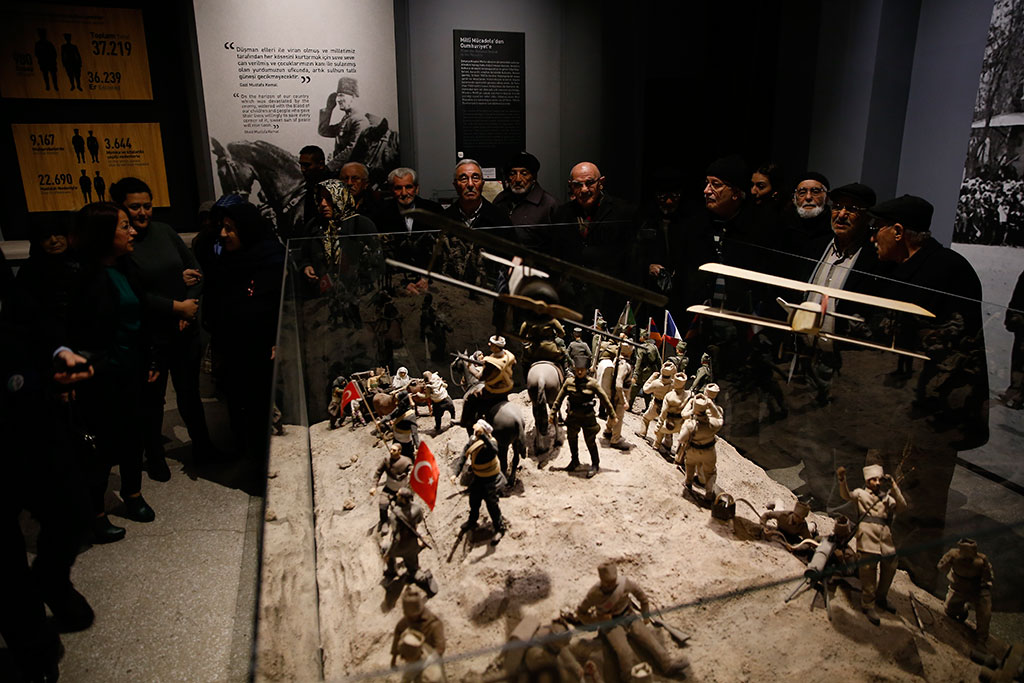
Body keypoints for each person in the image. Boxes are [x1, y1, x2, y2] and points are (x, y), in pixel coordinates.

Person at [67, 202, 161, 542]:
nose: (132, 231)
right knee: (101, 449)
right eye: (124, 226)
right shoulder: (82, 279)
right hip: (101, 378)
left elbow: (143, 319)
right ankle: (95, 514)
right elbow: (78, 334)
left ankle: (133, 495)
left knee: (133, 436)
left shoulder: (126, 267)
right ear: (103, 234)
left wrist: (151, 359)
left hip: (131, 370)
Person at [111, 176, 217, 477]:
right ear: (121, 208)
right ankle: (155, 456)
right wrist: (176, 306)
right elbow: (135, 294)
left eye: (147, 205)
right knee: (152, 399)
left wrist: (188, 308)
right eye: (135, 207)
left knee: (189, 393)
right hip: (151, 335)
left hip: (183, 329)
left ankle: (203, 447)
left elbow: (196, 272)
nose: (143, 212)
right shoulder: (122, 243)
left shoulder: (165, 231)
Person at [203, 199, 286, 468]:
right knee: (238, 405)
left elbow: (282, 304)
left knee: (261, 409)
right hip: (233, 348)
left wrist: (277, 339)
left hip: (262, 350)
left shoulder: (272, 259)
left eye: (230, 228)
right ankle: (247, 457)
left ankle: (266, 463)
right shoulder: (226, 260)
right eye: (222, 227)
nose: (223, 234)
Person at [575, 560, 689, 680]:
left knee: (650, 640)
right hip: (611, 624)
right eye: (607, 583)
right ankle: (628, 678)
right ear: (602, 581)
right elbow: (581, 613)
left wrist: (645, 616)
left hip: (629, 616)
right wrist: (598, 619)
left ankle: (667, 665)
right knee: (625, 652)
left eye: (613, 582)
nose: (611, 586)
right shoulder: (594, 594)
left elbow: (642, 598)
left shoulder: (625, 584)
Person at [551, 162, 636, 313]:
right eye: (578, 185)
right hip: (572, 298)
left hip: (609, 297)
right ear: (571, 186)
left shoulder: (622, 211)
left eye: (589, 183)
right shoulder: (562, 213)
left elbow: (630, 258)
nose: (584, 189)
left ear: (601, 183)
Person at [836, 463, 907, 625]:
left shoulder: (886, 498)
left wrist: (894, 486)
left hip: (885, 539)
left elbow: (902, 507)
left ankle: (881, 597)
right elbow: (846, 495)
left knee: (890, 566)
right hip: (868, 537)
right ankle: (868, 604)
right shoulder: (861, 494)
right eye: (873, 480)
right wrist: (842, 480)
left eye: (879, 480)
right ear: (867, 481)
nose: (877, 483)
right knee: (868, 571)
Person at [551, 357, 615, 477]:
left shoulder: (592, 384)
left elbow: (604, 399)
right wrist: (552, 413)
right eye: (577, 369)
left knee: (590, 441)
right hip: (573, 417)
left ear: (586, 370)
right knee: (572, 439)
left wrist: (612, 415)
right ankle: (575, 461)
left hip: (588, 418)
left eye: (582, 369)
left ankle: (595, 464)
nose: (580, 372)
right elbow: (559, 399)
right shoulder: (569, 382)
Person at [453, 419, 506, 544]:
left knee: (492, 505)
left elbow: (494, 450)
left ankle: (499, 528)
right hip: (478, 477)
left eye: (478, 431)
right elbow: (464, 455)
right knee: (474, 500)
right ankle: (472, 521)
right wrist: (456, 473)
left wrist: (483, 437)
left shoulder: (491, 442)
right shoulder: (472, 441)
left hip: (491, 479)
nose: (475, 433)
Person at [937, 538, 993, 651]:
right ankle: (963, 610)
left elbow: (989, 577)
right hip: (959, 587)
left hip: (978, 589)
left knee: (985, 613)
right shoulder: (953, 555)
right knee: (950, 610)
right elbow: (941, 567)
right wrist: (948, 562)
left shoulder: (981, 560)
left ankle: (981, 640)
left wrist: (985, 570)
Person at [492, 151, 558, 246]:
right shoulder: (500, 200)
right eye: (513, 173)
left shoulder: (549, 204)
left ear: (534, 177)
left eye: (524, 173)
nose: (518, 179)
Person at [381, 487, 435, 594]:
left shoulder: (395, 514)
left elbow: (396, 538)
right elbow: (419, 520)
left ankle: (391, 572)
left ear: (402, 499)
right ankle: (422, 578)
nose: (397, 495)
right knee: (414, 569)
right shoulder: (417, 508)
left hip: (400, 547)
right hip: (413, 545)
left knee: (384, 547)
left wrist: (388, 554)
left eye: (399, 495)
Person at [459, 335, 516, 435]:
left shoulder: (491, 362)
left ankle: (464, 421)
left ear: (496, 347)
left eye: (491, 344)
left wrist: (470, 368)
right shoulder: (508, 355)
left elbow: (480, 377)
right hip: (506, 389)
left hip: (493, 391)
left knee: (470, 397)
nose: (489, 344)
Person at [676, 395, 724, 502]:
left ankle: (688, 482)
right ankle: (709, 492)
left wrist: (692, 407)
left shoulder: (690, 425)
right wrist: (710, 404)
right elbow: (719, 418)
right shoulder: (713, 424)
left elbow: (681, 439)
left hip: (693, 451)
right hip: (709, 452)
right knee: (710, 472)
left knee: (690, 465)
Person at [318, 77, 368, 171]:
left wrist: (329, 167)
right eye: (337, 96)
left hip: (352, 171)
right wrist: (328, 109)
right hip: (341, 169)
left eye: (341, 95)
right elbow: (323, 131)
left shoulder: (359, 120)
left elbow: (352, 149)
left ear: (353, 97)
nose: (338, 99)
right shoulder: (347, 120)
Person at [390, 587, 445, 668]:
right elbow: (399, 630)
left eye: (411, 616)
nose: (409, 619)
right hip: (414, 660)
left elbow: (440, 648)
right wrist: (394, 657)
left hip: (432, 663)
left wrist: (427, 662)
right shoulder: (408, 619)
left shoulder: (434, 624)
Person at [372, 443, 413, 531]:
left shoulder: (406, 461)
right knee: (382, 504)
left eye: (394, 450)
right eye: (391, 449)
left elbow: (412, 470)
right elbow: (378, 473)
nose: (391, 452)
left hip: (401, 491)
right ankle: (384, 522)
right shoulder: (386, 460)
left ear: (399, 451)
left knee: (403, 508)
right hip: (389, 489)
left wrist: (410, 473)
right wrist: (374, 486)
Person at [296, 144, 332, 240]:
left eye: (307, 165)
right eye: (301, 165)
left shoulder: (334, 187)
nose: (302, 169)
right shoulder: (310, 187)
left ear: (321, 165)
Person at [635, 361, 675, 440]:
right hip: (668, 408)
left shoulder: (656, 383)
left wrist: (652, 377)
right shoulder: (674, 384)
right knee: (667, 426)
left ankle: (642, 432)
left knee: (646, 418)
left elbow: (646, 390)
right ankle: (668, 442)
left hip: (656, 405)